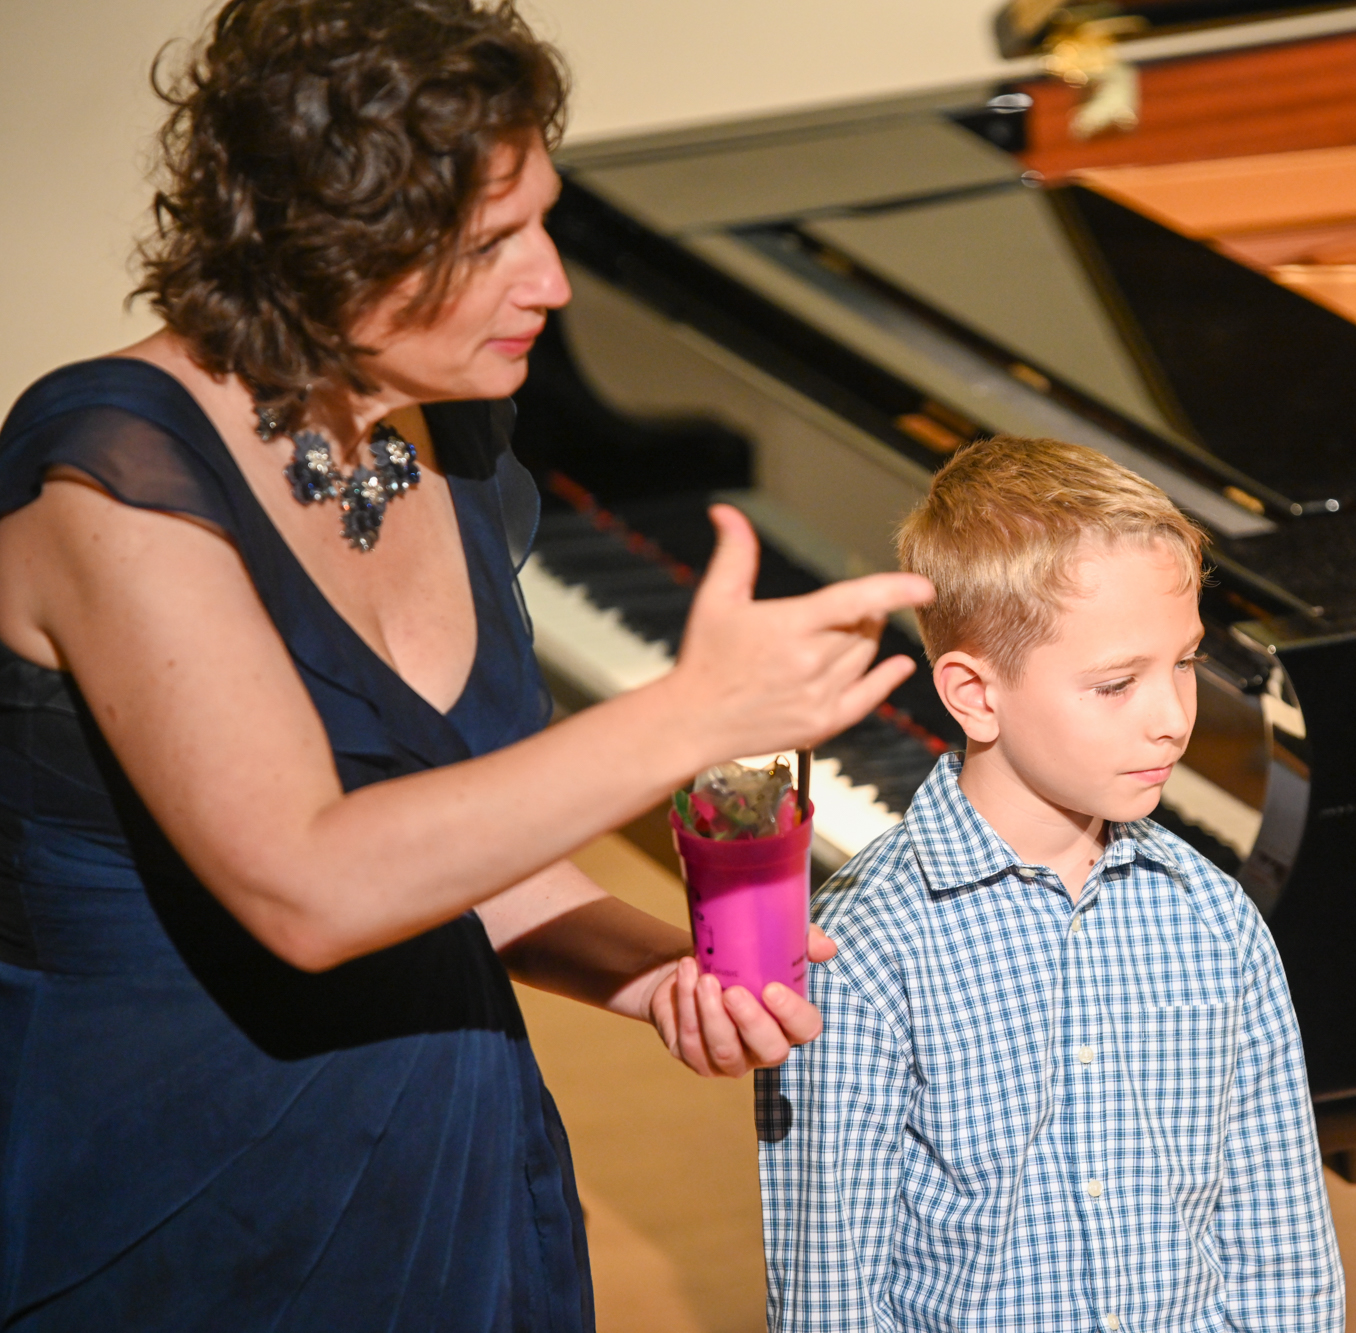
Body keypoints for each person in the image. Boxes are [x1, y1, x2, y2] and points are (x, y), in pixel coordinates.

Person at [0, 1, 930, 1327]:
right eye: (492, 244)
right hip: (177, 1193)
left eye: (543, 223)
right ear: (330, 243)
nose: (551, 282)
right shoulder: (117, 482)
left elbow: (454, 839)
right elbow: (311, 885)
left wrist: (649, 969)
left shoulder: (448, 429)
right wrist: (690, 713)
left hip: (454, 1151)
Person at [758, 437, 1345, 1330]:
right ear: (974, 693)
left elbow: (1284, 1259)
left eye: (1184, 663)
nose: (1172, 719)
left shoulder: (1214, 920)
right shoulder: (862, 952)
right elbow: (830, 1301)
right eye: (1116, 684)